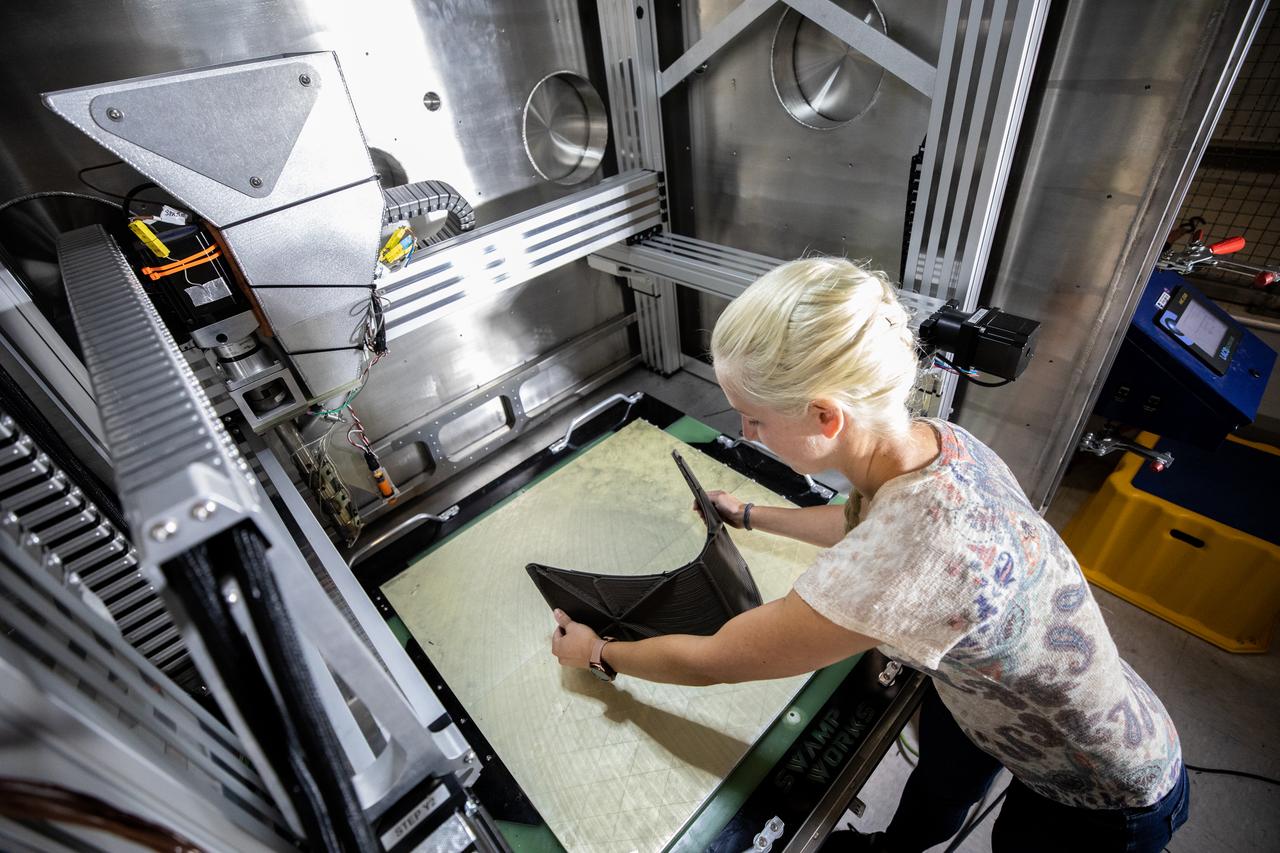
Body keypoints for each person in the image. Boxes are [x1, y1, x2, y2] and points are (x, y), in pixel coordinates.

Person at [549, 257, 1189, 852]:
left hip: (1100, 798)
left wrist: (599, 655)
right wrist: (748, 514)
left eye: (754, 419)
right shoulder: (937, 441)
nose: (745, 434)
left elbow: (718, 659)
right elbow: (868, 521)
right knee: (939, 793)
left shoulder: (907, 559)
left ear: (826, 417)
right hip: (1003, 697)